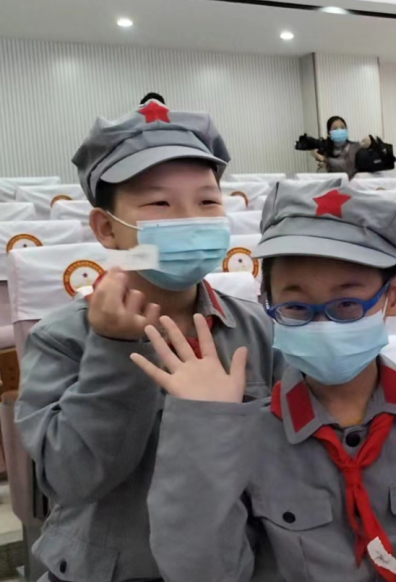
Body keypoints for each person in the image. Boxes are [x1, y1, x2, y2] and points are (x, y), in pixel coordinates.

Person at [140, 183, 396, 582]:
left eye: (347, 304)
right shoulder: (246, 433)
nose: (322, 324)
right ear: (267, 301)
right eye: (295, 307)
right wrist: (203, 427)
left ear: (394, 296)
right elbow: (203, 571)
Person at [14, 100, 283, 582]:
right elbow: (73, 479)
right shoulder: (62, 338)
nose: (189, 219)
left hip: (228, 565)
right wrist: (115, 349)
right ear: (107, 229)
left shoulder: (254, 329)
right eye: (159, 204)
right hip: (111, 570)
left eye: (208, 202)